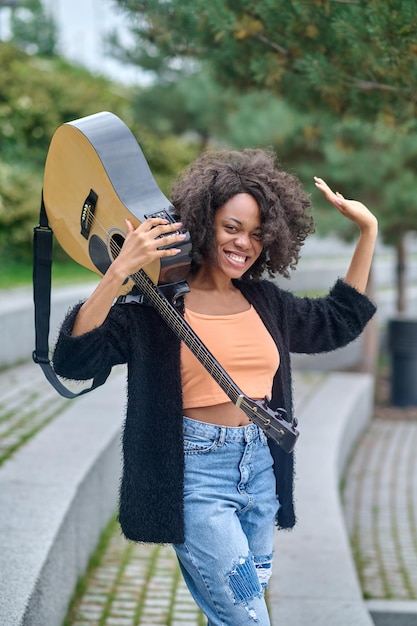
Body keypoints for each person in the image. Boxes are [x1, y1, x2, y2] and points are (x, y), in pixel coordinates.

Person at [53, 148, 378, 626]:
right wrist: (119, 272)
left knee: (235, 614)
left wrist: (367, 232)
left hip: (260, 469)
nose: (243, 243)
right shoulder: (156, 308)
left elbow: (336, 322)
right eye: (232, 227)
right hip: (194, 475)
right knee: (246, 617)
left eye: (256, 234)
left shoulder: (264, 300)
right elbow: (75, 360)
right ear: (203, 224)